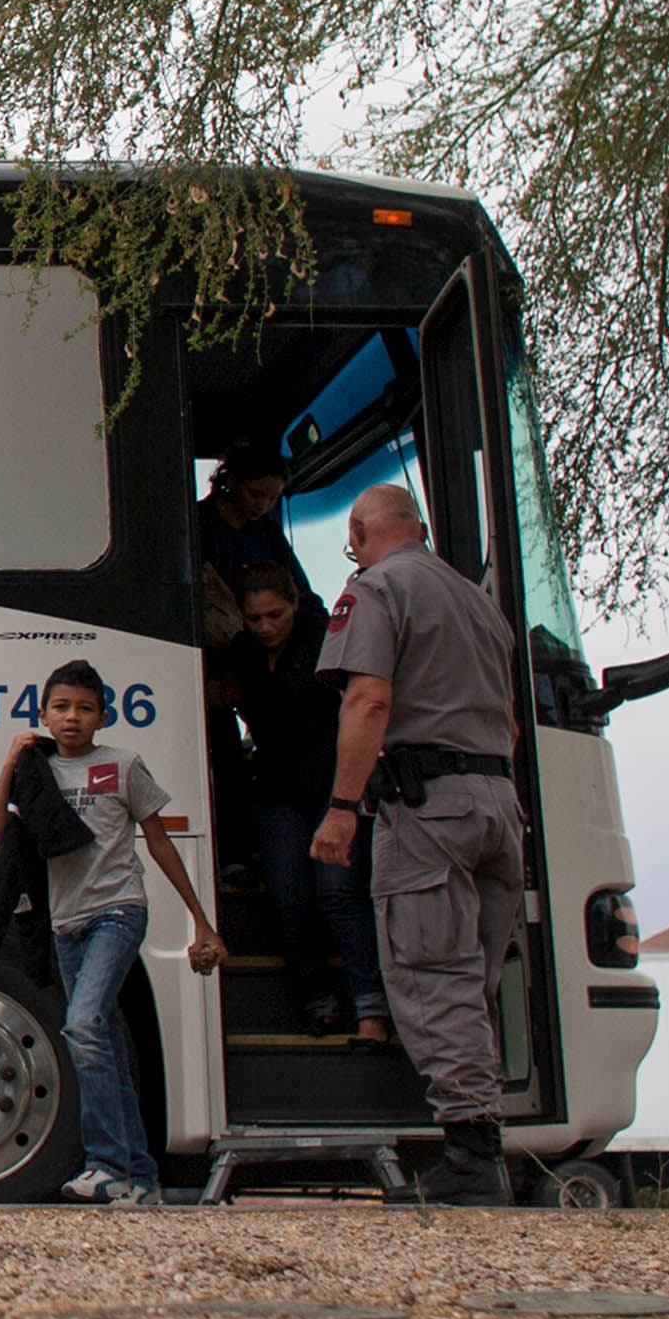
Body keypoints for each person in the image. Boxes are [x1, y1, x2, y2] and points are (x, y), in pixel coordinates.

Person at [313, 481, 528, 1207]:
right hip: (498, 803)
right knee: (472, 983)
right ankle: (483, 1141)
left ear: (361, 529)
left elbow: (369, 698)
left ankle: (472, 1156)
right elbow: (511, 721)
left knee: (432, 977)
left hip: (428, 805)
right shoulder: (477, 601)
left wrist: (343, 807)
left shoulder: (376, 589)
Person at [0, 660, 224, 1205]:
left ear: (103, 717)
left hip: (118, 910)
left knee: (84, 1026)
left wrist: (200, 918)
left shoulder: (123, 765)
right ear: (42, 714)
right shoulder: (34, 770)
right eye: (61, 708)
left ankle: (106, 1162)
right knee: (104, 1045)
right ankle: (141, 1178)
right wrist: (12, 758)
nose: (72, 718)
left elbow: (158, 841)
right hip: (66, 923)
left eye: (85, 709)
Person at [219, 570, 390, 1044]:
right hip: (276, 793)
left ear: (295, 605)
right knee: (290, 898)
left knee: (338, 894)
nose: (265, 626)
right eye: (254, 618)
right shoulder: (242, 653)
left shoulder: (326, 643)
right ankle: (319, 1002)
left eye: (275, 615)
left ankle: (371, 1010)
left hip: (332, 788)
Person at [195, 445, 316, 649]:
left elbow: (302, 592)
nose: (263, 505)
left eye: (272, 498)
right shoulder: (197, 522)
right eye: (256, 494)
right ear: (233, 481)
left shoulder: (268, 532)